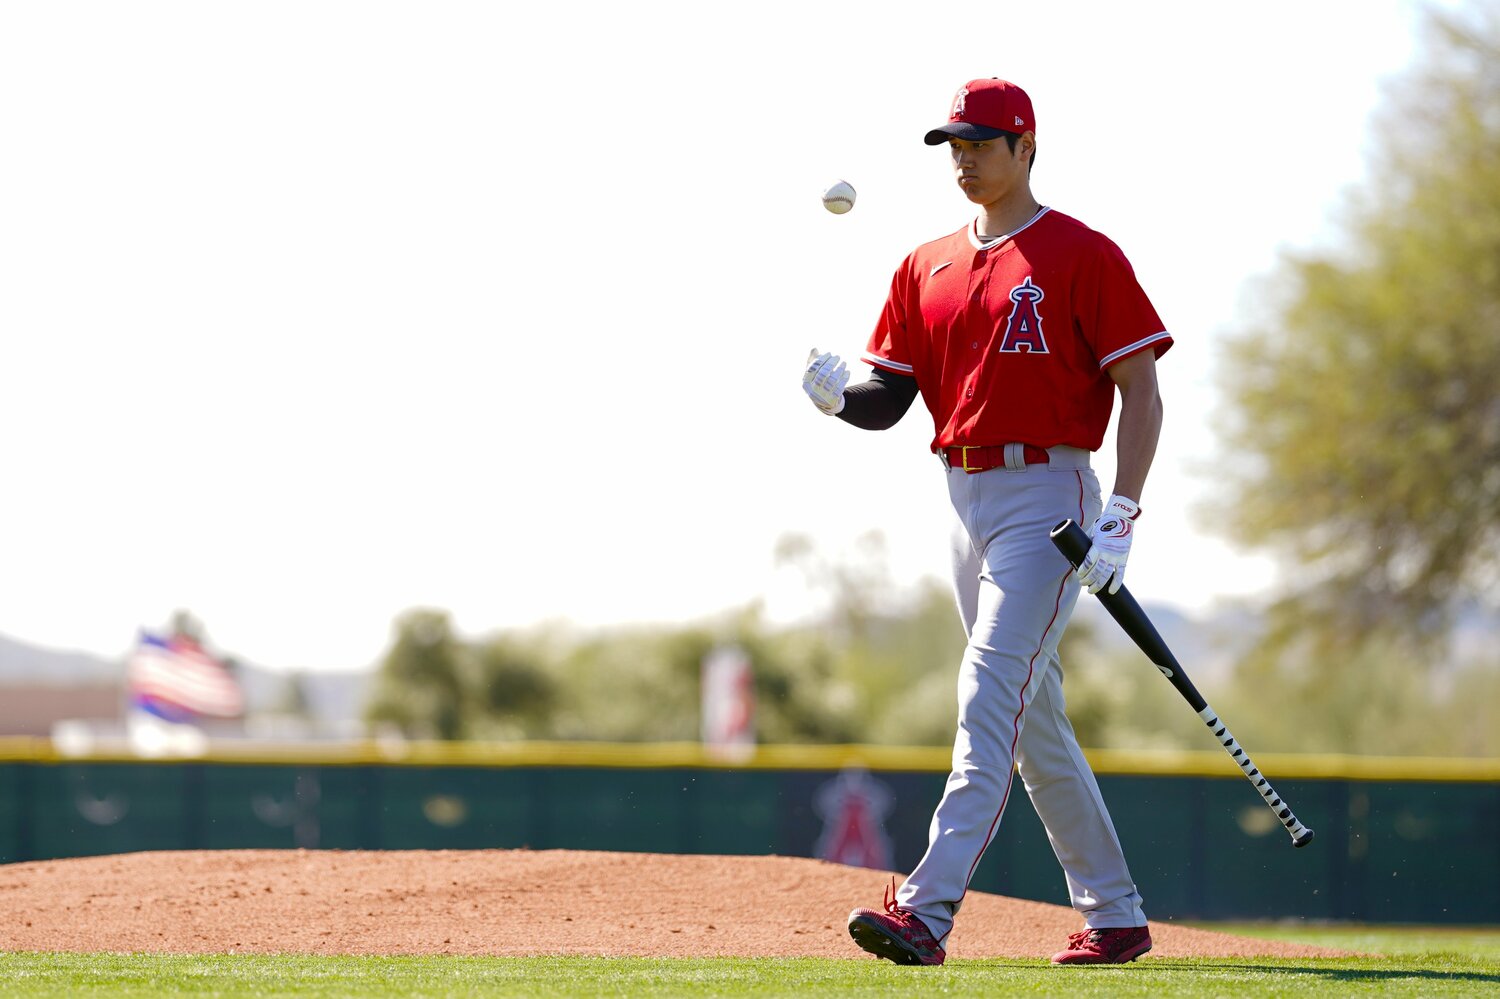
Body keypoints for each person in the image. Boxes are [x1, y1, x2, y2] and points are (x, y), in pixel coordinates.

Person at [802, 77, 1170, 966]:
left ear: (1025, 147)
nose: (963, 157)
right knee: (1031, 719)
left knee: (987, 694)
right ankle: (1115, 912)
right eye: (953, 144)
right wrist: (834, 401)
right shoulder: (923, 261)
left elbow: (1142, 390)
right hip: (963, 499)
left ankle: (925, 910)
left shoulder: (1082, 253)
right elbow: (890, 398)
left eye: (981, 142)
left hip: (1051, 498)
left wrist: (1122, 510)